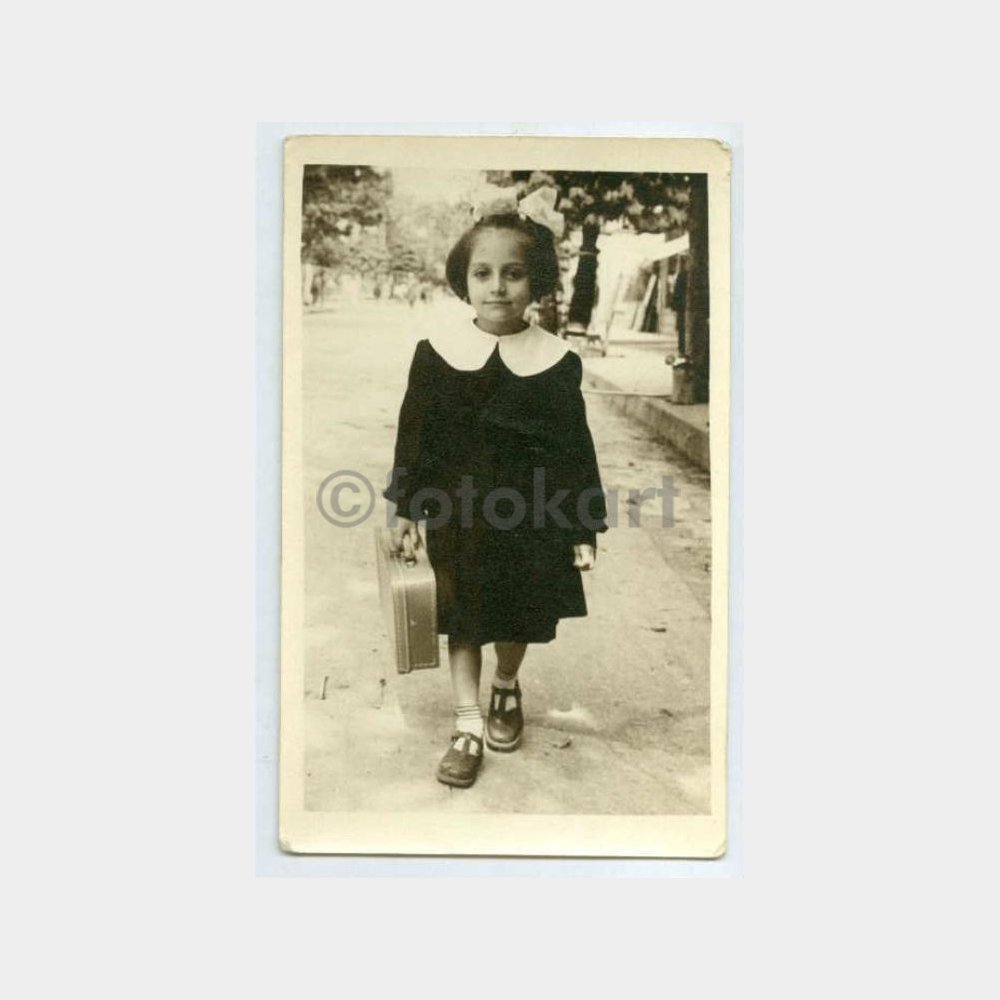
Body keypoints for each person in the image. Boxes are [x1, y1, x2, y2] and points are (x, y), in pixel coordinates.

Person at [383, 190, 608, 789]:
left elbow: (573, 448)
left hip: (533, 516)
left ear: (537, 282)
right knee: (463, 618)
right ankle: (466, 724)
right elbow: (415, 435)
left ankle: (506, 685)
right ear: (464, 279)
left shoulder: (556, 361)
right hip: (457, 513)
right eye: (482, 273)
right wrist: (404, 508)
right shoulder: (435, 355)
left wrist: (582, 525)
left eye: (513, 274)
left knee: (514, 616)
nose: (498, 287)